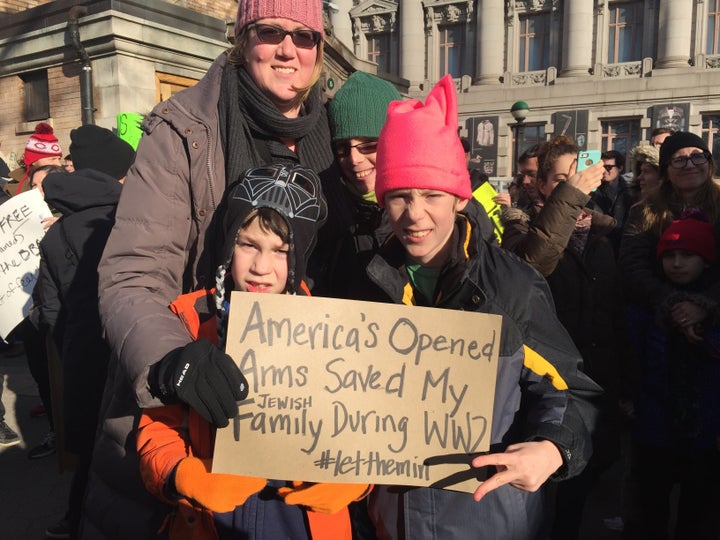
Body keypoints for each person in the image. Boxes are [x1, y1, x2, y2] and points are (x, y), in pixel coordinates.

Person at [83, 1, 348, 537]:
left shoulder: (340, 132)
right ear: (242, 37)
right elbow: (134, 273)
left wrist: (360, 461)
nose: (287, 50)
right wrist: (173, 361)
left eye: (304, 38)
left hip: (308, 396)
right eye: (270, 31)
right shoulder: (182, 128)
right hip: (199, 390)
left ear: (320, 51)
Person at [357, 75, 601, 539]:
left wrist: (552, 449)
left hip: (489, 519)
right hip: (390, 521)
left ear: (459, 197)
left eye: (431, 195)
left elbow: (572, 390)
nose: (415, 214)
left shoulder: (512, 286)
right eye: (399, 196)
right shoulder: (363, 281)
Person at [136, 163, 369, 539]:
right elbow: (156, 428)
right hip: (216, 516)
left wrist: (358, 481)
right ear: (230, 243)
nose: (262, 267)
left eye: (281, 251)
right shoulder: (189, 320)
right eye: (249, 245)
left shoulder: (333, 329)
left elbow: (372, 429)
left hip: (302, 518)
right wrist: (181, 473)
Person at [501, 136, 634, 539]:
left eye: (577, 178)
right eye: (561, 179)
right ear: (542, 185)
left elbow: (616, 310)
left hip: (596, 377)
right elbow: (533, 265)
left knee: (587, 477)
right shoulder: (518, 225)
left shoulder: (604, 234)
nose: (572, 186)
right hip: (547, 380)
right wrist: (570, 198)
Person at [37, 125, 135, 540]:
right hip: (131, 347)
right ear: (118, 174)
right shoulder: (135, 217)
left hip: (81, 355)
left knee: (93, 448)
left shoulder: (56, 231)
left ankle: (76, 519)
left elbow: (49, 312)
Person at [622, 212, 720, 539]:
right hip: (654, 424)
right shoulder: (646, 305)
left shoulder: (713, 308)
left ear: (706, 261)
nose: (677, 263)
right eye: (669, 256)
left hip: (706, 427)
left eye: (687, 255)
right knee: (651, 508)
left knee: (697, 511)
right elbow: (632, 356)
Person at [620, 131, 720, 343]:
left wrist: (705, 305)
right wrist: (673, 305)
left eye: (697, 156)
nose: (690, 165)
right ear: (665, 170)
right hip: (657, 324)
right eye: (679, 160)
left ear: (709, 163)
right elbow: (632, 265)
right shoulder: (643, 210)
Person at [588, 149, 633, 254]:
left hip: (622, 248)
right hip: (600, 248)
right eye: (602, 167)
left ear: (620, 168)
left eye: (608, 167)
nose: (604, 171)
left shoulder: (629, 192)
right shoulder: (593, 190)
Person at [17, 122, 64, 193]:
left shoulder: (67, 183)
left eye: (59, 159)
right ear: (33, 161)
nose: (59, 164)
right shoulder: (12, 189)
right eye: (52, 159)